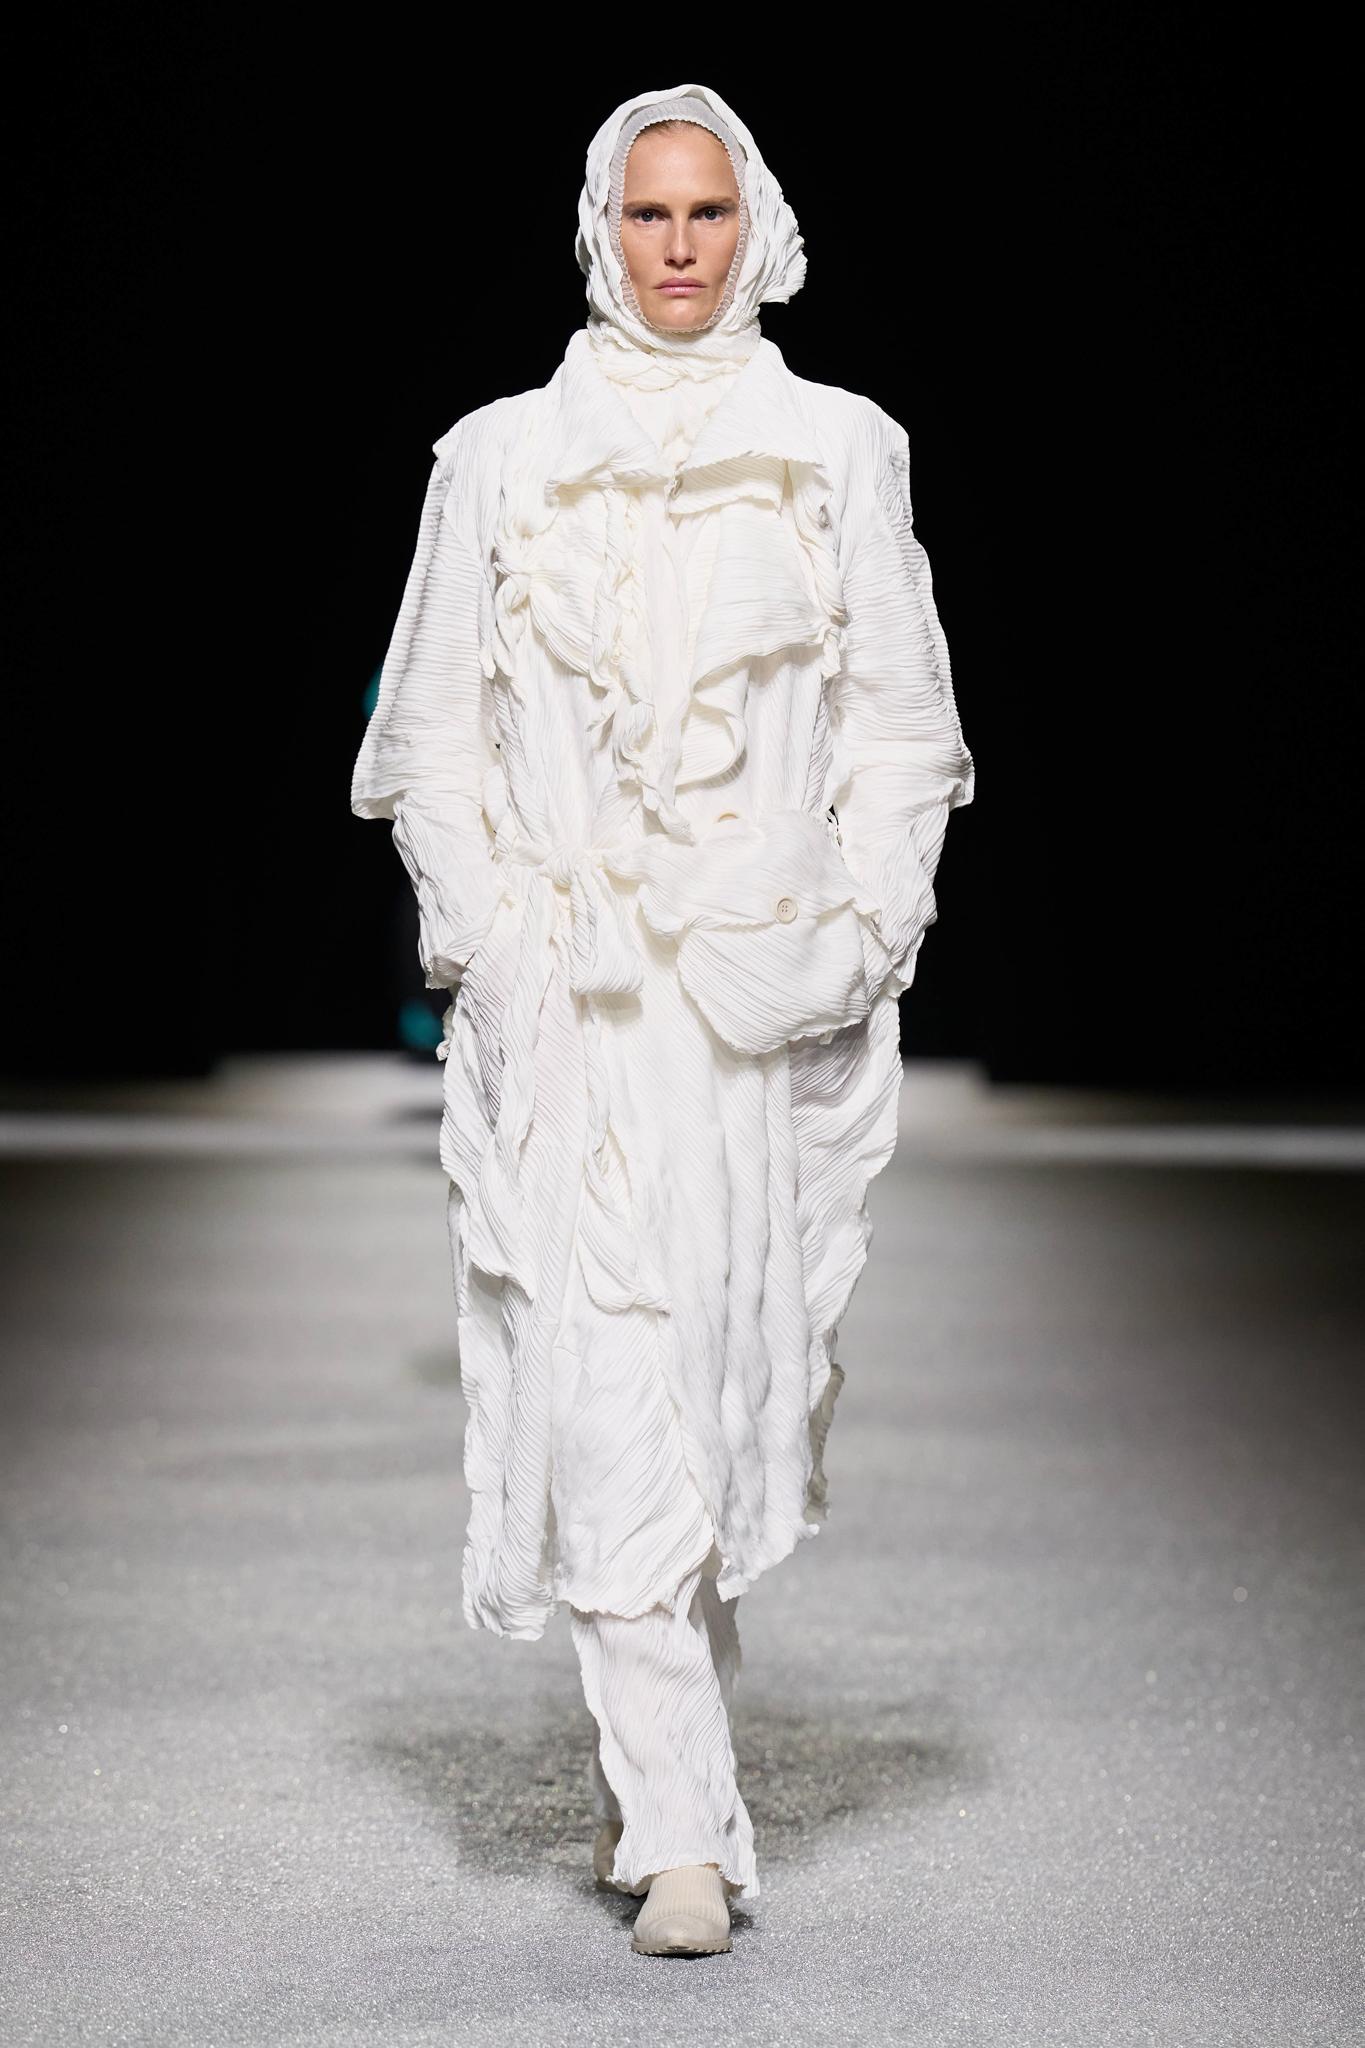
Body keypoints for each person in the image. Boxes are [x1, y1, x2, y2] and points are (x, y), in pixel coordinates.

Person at [350, 82, 975, 1956]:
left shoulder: (841, 448)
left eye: (704, 212)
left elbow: (900, 726)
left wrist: (858, 934)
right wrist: (491, 939)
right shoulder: (499, 459)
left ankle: (666, 1774)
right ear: (599, 230)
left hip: (759, 1004)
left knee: (723, 1385)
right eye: (647, 213)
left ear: (751, 225)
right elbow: (430, 736)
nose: (678, 246)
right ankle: (685, 1838)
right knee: (605, 1382)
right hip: (572, 1003)